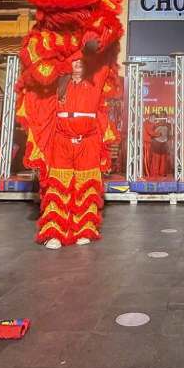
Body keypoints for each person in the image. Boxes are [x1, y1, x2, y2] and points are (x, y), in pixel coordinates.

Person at [27, 57, 112, 248]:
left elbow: (104, 56)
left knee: (87, 186)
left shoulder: (96, 80)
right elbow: (39, 71)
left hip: (88, 141)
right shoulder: (58, 84)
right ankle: (54, 232)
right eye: (74, 60)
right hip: (61, 140)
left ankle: (85, 230)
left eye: (83, 60)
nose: (78, 63)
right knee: (58, 185)